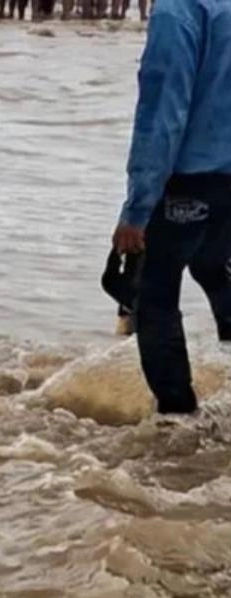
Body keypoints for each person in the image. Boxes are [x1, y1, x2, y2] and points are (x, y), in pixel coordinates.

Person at [113, 0, 231, 414]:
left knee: (155, 292)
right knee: (213, 266)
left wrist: (136, 210)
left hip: (190, 180)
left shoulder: (177, 10)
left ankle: (178, 418)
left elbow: (163, 115)